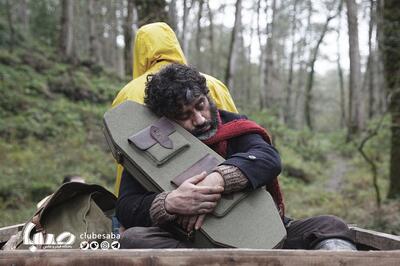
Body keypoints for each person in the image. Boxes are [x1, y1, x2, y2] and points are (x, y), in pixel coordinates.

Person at [117, 63, 357, 250]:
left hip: (260, 232)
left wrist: (217, 180)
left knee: (330, 225)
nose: (200, 119)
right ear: (167, 119)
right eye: (184, 116)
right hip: (189, 243)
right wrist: (170, 203)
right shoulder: (151, 147)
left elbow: (267, 158)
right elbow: (126, 207)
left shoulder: (235, 126)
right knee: (134, 239)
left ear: (207, 95)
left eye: (200, 105)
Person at [111, 22, 238, 195]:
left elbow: (123, 149)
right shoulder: (213, 83)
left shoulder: (127, 94)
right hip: (224, 184)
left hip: (151, 190)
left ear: (139, 54)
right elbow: (235, 128)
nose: (198, 118)